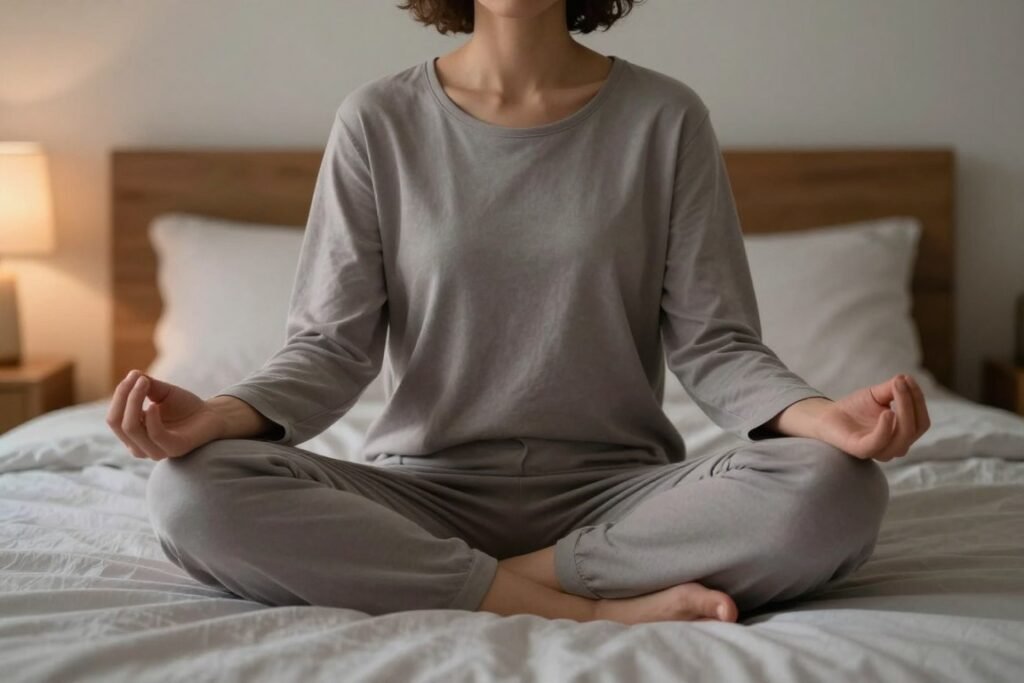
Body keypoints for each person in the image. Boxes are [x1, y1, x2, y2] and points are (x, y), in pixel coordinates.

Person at [108, 0, 930, 626]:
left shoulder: (665, 119)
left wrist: (824, 418)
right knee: (190, 491)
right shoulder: (378, 121)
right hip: (422, 496)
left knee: (837, 490)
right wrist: (216, 416)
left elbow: (717, 345)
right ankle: (582, 602)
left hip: (620, 496)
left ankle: (511, 575)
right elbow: (329, 349)